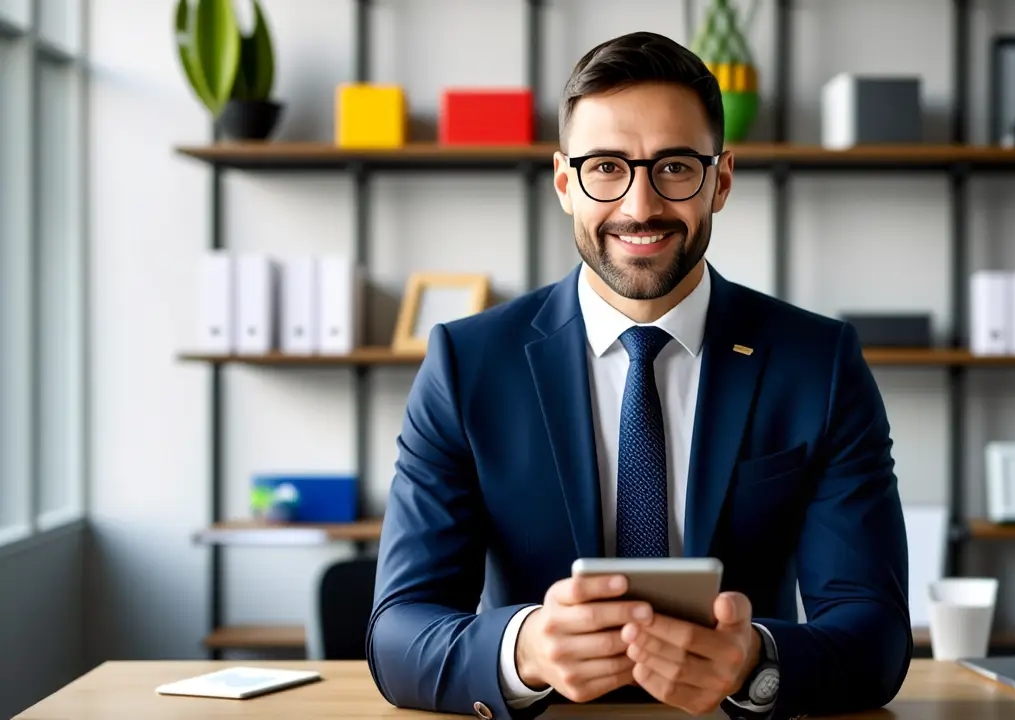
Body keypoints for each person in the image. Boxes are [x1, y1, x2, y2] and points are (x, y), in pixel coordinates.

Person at [366, 30, 911, 720]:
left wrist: (754, 661)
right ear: (566, 183)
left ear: (722, 180)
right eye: (606, 168)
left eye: (675, 167)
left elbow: (877, 634)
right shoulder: (467, 364)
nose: (640, 206)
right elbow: (397, 631)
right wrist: (525, 649)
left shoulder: (819, 363)